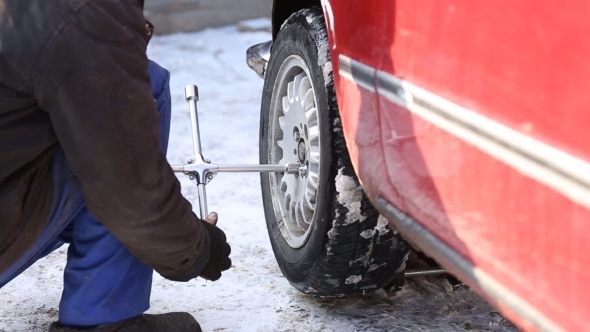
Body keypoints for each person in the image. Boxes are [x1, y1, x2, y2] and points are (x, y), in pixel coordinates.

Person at [0, 0, 232, 331]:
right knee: (138, 87)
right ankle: (103, 317)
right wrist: (195, 248)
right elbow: (125, 190)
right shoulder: (81, 12)